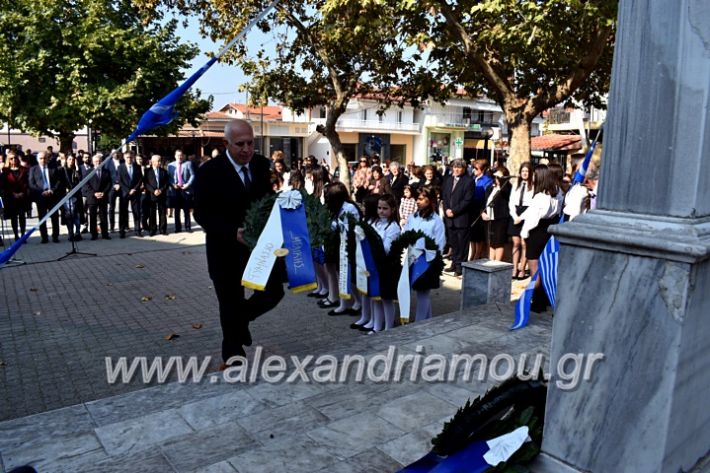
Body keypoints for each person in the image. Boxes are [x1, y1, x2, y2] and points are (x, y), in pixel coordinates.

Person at [193, 119, 285, 367]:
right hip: (224, 251)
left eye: (250, 143)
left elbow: (265, 200)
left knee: (274, 292)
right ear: (226, 144)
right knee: (229, 302)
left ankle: (240, 320)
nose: (246, 149)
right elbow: (201, 213)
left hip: (258, 250)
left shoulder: (260, 165)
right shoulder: (209, 172)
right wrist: (231, 232)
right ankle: (233, 356)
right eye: (240, 144)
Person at [515, 165, 561, 312]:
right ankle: (543, 299)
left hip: (536, 233)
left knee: (535, 271)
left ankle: (536, 302)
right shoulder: (556, 193)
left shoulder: (540, 197)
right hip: (548, 232)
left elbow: (532, 220)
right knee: (544, 268)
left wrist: (524, 234)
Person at [403, 186, 446, 321]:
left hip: (427, 261)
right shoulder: (413, 217)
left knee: (423, 293)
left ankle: (419, 323)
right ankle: (428, 320)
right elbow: (406, 234)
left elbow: (440, 242)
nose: (418, 201)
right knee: (419, 292)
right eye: (417, 198)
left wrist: (430, 256)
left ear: (430, 199)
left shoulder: (436, 220)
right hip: (412, 259)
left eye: (421, 199)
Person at [364, 193, 401, 333]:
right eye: (379, 208)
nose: (381, 211)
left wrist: (372, 241)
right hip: (373, 266)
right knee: (375, 297)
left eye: (385, 208)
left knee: (386, 299)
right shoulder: (374, 223)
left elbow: (386, 248)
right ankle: (377, 326)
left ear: (392, 210)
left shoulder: (394, 228)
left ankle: (388, 328)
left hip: (387, 267)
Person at [441, 159, 474, 276]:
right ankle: (454, 263)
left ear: (464, 169)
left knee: (462, 244)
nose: (456, 169)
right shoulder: (449, 180)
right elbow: (444, 196)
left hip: (461, 218)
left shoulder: (469, 181)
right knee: (453, 243)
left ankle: (461, 266)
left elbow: (467, 200)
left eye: (459, 167)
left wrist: (454, 211)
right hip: (449, 219)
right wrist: (446, 210)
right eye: (454, 167)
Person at [28, 151, 64, 243]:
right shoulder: (33, 169)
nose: (43, 160)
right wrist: (42, 192)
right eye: (41, 158)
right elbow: (31, 183)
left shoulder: (53, 168)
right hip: (41, 197)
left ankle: (55, 236)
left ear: (48, 159)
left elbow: (58, 181)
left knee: (55, 217)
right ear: (37, 159)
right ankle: (44, 237)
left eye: (44, 158)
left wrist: (52, 190)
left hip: (52, 196)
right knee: (42, 218)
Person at [508, 162, 534, 279]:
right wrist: (515, 216)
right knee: (516, 243)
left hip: (527, 214)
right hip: (516, 213)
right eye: (523, 171)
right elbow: (511, 202)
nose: (524, 173)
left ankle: (522, 269)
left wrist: (522, 217)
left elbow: (533, 204)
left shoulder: (533, 185)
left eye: (527, 171)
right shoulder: (516, 185)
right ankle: (514, 269)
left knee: (525, 244)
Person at [481, 168, 512, 261]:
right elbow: (484, 201)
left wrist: (502, 180)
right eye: (496, 176)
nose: (497, 178)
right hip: (489, 218)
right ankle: (491, 261)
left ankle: (496, 262)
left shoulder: (507, 187)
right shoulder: (491, 187)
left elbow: (506, 194)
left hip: (500, 218)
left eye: (499, 177)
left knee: (498, 242)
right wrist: (482, 212)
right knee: (491, 242)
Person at [1, 151, 29, 241]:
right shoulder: (5, 171)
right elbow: (4, 185)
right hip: (11, 197)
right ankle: (16, 235)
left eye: (15, 158)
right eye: (11, 158)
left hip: (22, 196)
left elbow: (27, 183)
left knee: (22, 217)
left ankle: (23, 235)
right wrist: (13, 194)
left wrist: (22, 193)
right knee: (14, 217)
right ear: (8, 160)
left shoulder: (24, 170)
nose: (13, 160)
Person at [84, 154, 112, 240]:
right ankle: (94, 234)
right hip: (92, 197)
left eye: (99, 161)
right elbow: (86, 184)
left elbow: (109, 183)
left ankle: (105, 233)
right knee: (92, 216)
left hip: (103, 197)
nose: (98, 163)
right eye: (96, 161)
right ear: (93, 162)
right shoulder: (88, 172)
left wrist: (103, 192)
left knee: (103, 216)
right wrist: (94, 193)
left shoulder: (106, 172)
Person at [470, 159, 493, 260]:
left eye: (476, 168)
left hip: (480, 208)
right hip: (472, 208)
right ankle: (473, 252)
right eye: (473, 168)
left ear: (482, 169)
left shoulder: (487, 180)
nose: (474, 170)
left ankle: (477, 254)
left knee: (479, 235)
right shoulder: (473, 178)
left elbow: (486, 197)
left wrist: (483, 211)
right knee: (472, 234)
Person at [167, 149, 194, 233]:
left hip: (185, 189)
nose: (180, 157)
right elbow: (169, 177)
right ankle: (177, 228)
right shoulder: (170, 165)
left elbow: (193, 175)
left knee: (186, 210)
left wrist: (188, 184)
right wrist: (173, 184)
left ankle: (187, 227)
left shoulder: (188, 164)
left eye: (181, 155)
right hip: (175, 190)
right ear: (175, 156)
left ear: (183, 156)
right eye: (178, 155)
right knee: (176, 210)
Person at [118, 152, 144, 237]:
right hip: (124, 193)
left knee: (136, 212)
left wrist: (134, 189)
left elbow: (140, 179)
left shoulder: (137, 167)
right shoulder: (120, 167)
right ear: (124, 158)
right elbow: (120, 180)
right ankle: (122, 231)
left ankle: (138, 230)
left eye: (131, 157)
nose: (129, 159)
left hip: (135, 193)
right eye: (127, 157)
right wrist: (127, 190)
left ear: (133, 158)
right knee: (123, 213)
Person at [60, 153, 83, 242]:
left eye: (73, 160)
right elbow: (60, 182)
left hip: (76, 196)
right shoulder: (63, 170)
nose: (71, 161)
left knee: (77, 215)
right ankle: (70, 233)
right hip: (67, 196)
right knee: (69, 215)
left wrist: (77, 169)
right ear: (66, 160)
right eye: (69, 159)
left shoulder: (76, 170)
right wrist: (65, 189)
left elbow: (81, 180)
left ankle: (78, 232)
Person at [144, 154, 168, 236]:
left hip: (161, 194)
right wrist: (153, 191)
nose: (159, 162)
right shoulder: (147, 171)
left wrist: (161, 190)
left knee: (162, 212)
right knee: (152, 213)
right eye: (158, 161)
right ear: (153, 162)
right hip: (151, 195)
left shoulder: (163, 171)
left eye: (160, 160)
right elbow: (146, 183)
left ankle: (163, 229)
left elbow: (166, 183)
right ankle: (152, 230)